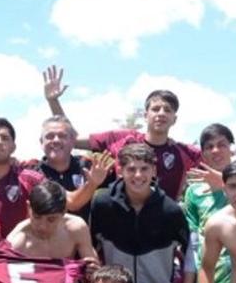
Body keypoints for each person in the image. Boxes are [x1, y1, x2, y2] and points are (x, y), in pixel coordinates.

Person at [90, 143, 190, 283]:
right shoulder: (102, 205)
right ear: (120, 170)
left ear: (154, 171)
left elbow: (190, 257)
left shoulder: (171, 211)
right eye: (131, 169)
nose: (138, 175)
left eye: (144, 169)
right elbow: (89, 249)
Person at [45, 65, 202, 200]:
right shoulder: (121, 138)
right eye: (155, 109)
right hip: (121, 222)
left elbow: (221, 162)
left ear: (174, 119)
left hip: (162, 226)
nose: (161, 113)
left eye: (167, 110)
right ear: (145, 115)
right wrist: (53, 101)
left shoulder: (185, 153)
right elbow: (74, 138)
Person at [179, 123, 236, 283]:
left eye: (222, 144)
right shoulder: (194, 192)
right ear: (202, 153)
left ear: (231, 149)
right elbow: (192, 247)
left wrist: (225, 184)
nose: (216, 150)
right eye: (209, 146)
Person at [31, 115, 113, 221]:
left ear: (73, 141)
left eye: (62, 136)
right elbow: (71, 203)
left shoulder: (91, 165)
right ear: (41, 142)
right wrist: (92, 184)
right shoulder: (32, 173)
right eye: (49, 136)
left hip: (87, 236)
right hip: (48, 236)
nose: (56, 140)